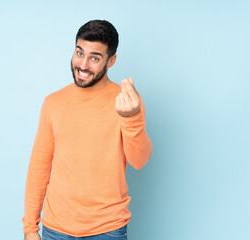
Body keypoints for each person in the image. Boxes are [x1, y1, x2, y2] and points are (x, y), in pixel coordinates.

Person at [22, 20, 152, 240]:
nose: (83, 65)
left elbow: (139, 160)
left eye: (94, 58)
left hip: (108, 229)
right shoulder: (53, 103)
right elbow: (39, 167)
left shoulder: (126, 102)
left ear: (111, 61)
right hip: (55, 230)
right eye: (79, 53)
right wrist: (30, 228)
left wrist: (131, 118)